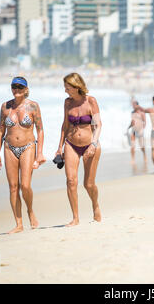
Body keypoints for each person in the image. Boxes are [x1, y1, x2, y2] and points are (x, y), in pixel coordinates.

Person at [0, 77, 46, 234]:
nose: (16, 89)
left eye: (19, 87)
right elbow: (1, 130)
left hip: (28, 147)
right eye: (13, 86)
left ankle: (30, 211)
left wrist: (40, 153)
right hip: (9, 148)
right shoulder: (5, 107)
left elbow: (40, 130)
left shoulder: (33, 106)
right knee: (13, 187)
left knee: (25, 185)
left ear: (25, 89)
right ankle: (18, 224)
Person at [56, 73, 102, 227]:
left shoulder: (91, 101)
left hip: (90, 144)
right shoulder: (67, 102)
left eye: (67, 88)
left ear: (76, 87)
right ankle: (75, 218)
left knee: (88, 184)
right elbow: (65, 125)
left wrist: (93, 144)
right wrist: (59, 148)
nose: (65, 91)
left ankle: (95, 205)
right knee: (70, 181)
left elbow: (98, 125)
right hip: (71, 144)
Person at [127, 100, 147, 164]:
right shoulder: (132, 112)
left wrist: (143, 127)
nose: (133, 106)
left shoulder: (142, 113)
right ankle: (132, 159)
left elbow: (145, 121)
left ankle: (144, 156)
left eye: (134, 105)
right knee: (132, 146)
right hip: (133, 131)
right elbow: (132, 121)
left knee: (142, 146)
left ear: (137, 105)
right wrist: (128, 127)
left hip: (140, 131)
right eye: (132, 105)